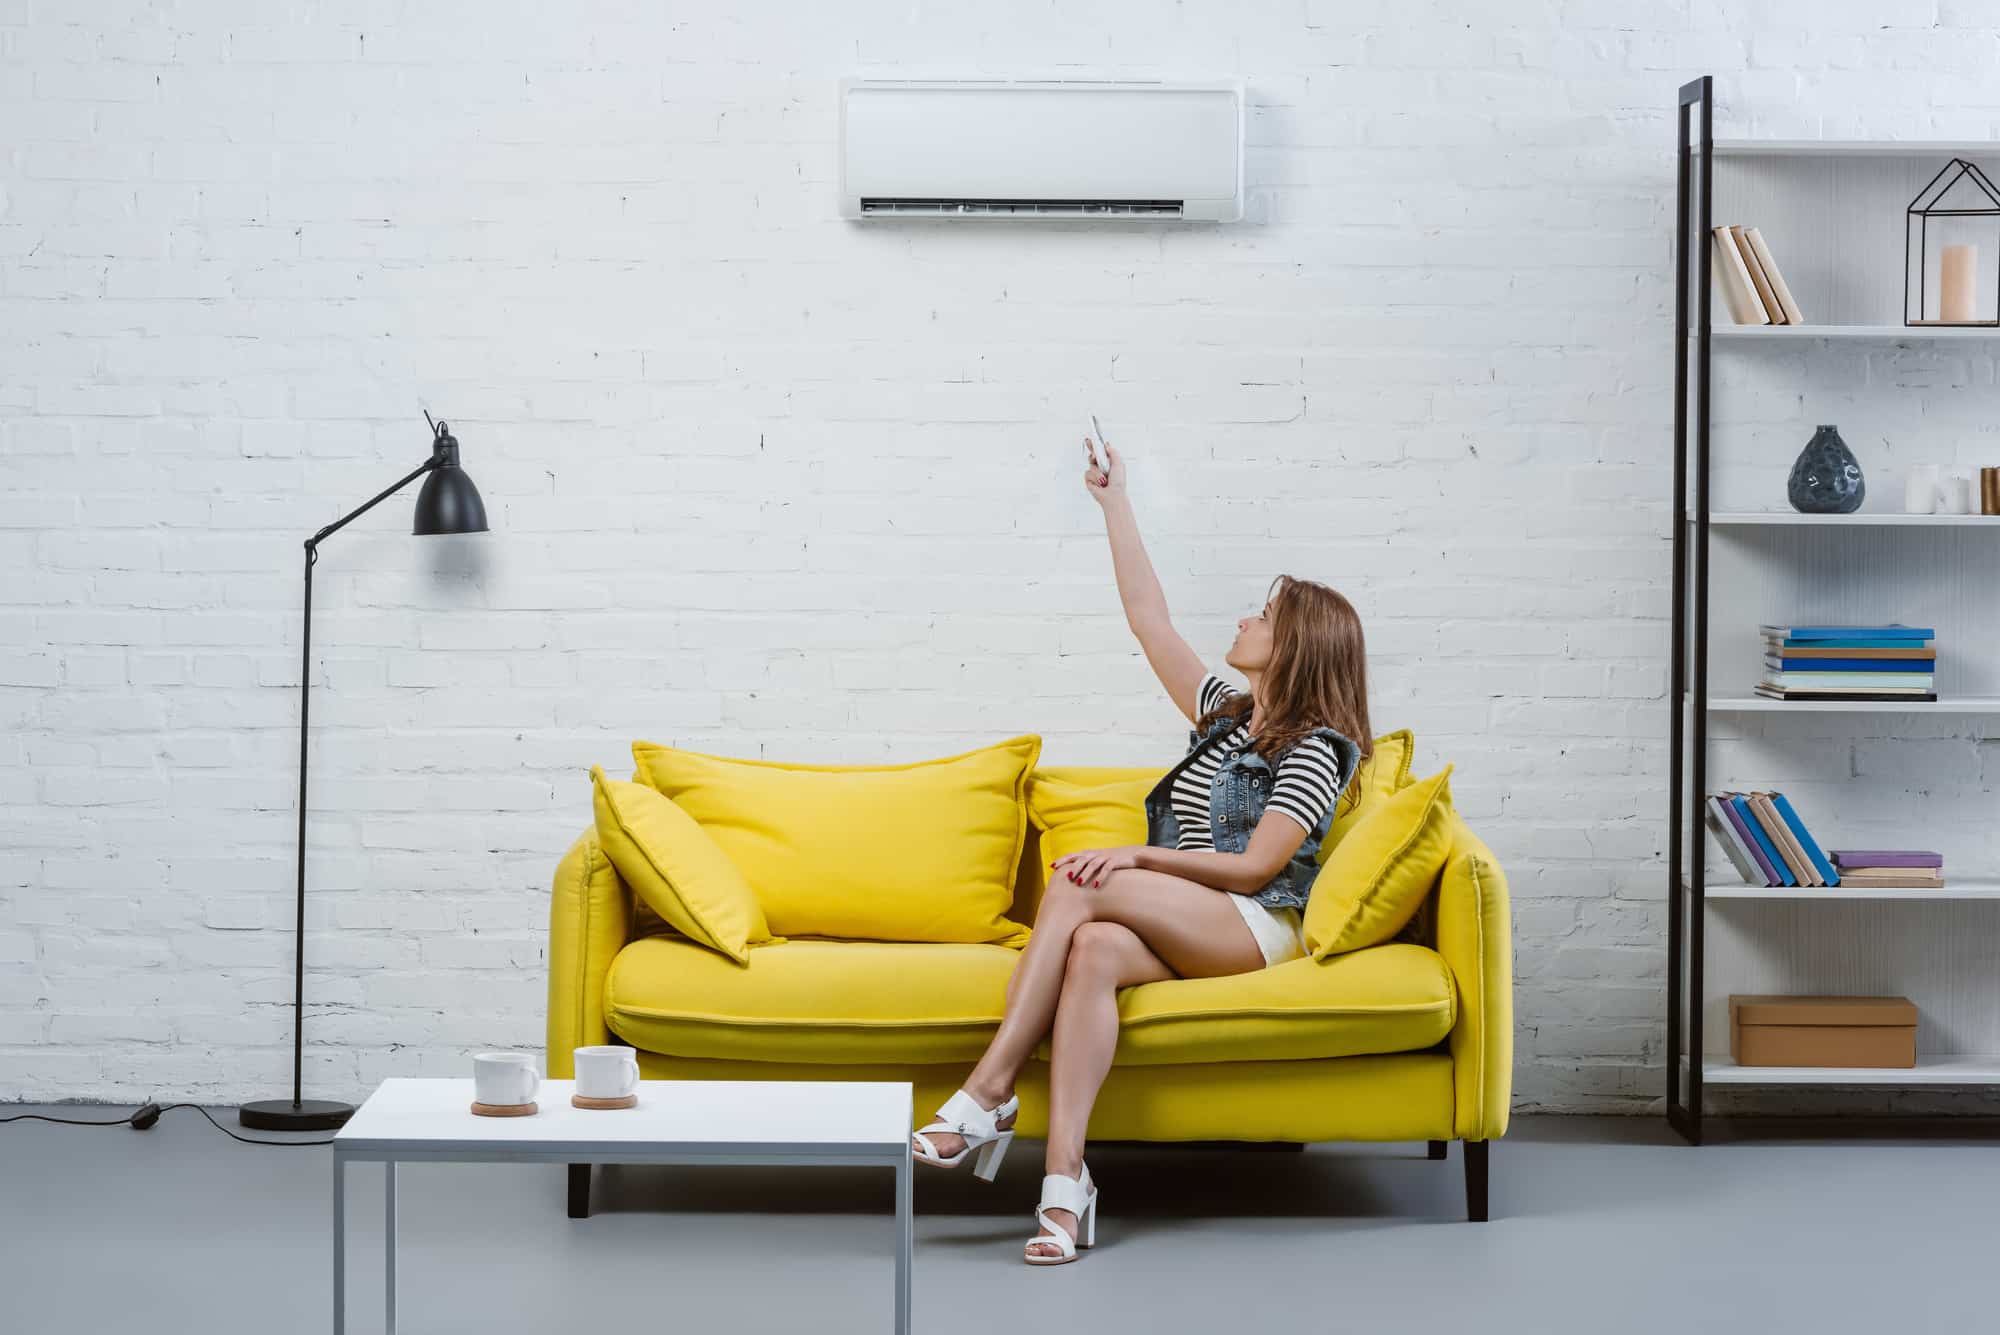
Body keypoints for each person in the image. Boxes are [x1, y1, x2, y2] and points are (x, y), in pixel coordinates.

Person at [908, 436, 1374, 1264]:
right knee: (1091, 947)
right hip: (1193, 918)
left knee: (1085, 880)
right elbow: (1147, 616)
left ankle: (989, 1091)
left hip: (1252, 924)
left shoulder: (1316, 746)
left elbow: (1258, 870)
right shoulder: (1227, 719)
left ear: (1296, 645)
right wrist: (1114, 502)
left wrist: (1140, 857)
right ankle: (1063, 1190)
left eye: (1262, 617)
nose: (1243, 619)